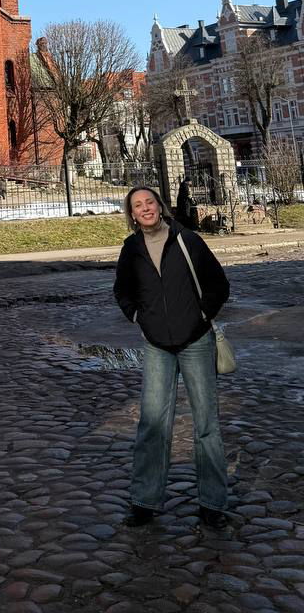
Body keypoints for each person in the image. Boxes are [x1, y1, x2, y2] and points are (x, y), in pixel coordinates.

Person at [113, 186, 230, 529]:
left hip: (196, 341)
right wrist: (138, 317)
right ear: (132, 215)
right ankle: (144, 501)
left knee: (206, 424)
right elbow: (122, 290)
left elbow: (218, 284)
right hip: (157, 346)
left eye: (150, 202)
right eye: (138, 205)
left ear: (160, 206)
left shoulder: (186, 239)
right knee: (152, 424)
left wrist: (202, 316)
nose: (146, 209)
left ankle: (212, 503)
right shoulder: (131, 248)